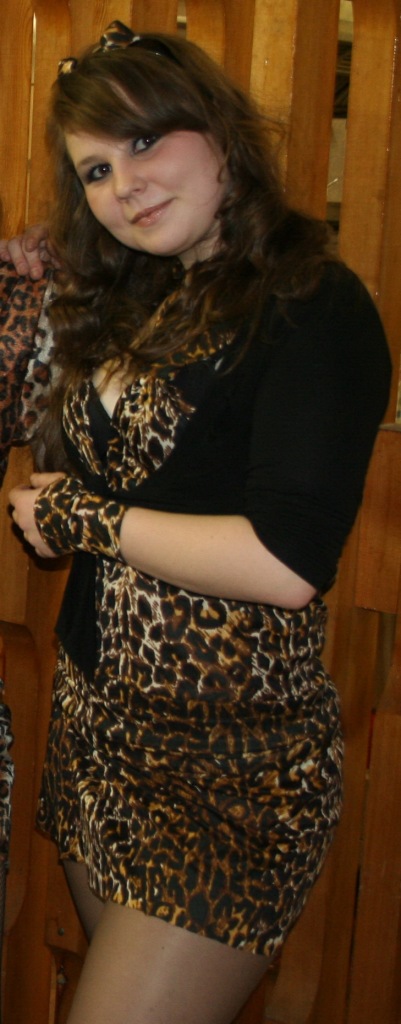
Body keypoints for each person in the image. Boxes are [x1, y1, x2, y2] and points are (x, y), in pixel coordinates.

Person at [3, 20, 391, 1024]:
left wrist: (81, 514)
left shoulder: (312, 305)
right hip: (98, 735)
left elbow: (284, 562)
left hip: (228, 773)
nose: (123, 185)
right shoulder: (134, 296)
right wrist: (26, 277)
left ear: (217, 130)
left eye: (143, 141)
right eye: (94, 170)